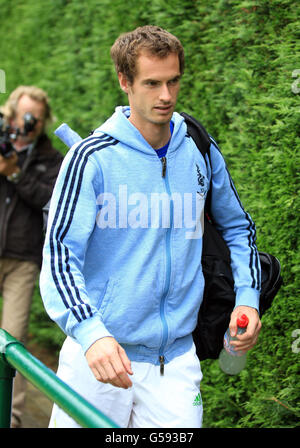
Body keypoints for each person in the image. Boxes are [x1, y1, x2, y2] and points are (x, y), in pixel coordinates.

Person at [40, 26, 262, 428]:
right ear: (125, 82)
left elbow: (238, 228)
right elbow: (59, 256)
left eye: (173, 81)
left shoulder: (198, 146)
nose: (166, 96)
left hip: (174, 362)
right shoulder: (91, 158)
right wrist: (92, 334)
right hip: (99, 358)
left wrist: (248, 297)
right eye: (152, 83)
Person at [0, 85, 63, 428]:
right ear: (11, 112)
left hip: (23, 259)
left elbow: (49, 201)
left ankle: (10, 418)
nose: (30, 124)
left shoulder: (51, 160)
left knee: (12, 342)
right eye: (25, 116)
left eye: (36, 119)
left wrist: (14, 173)